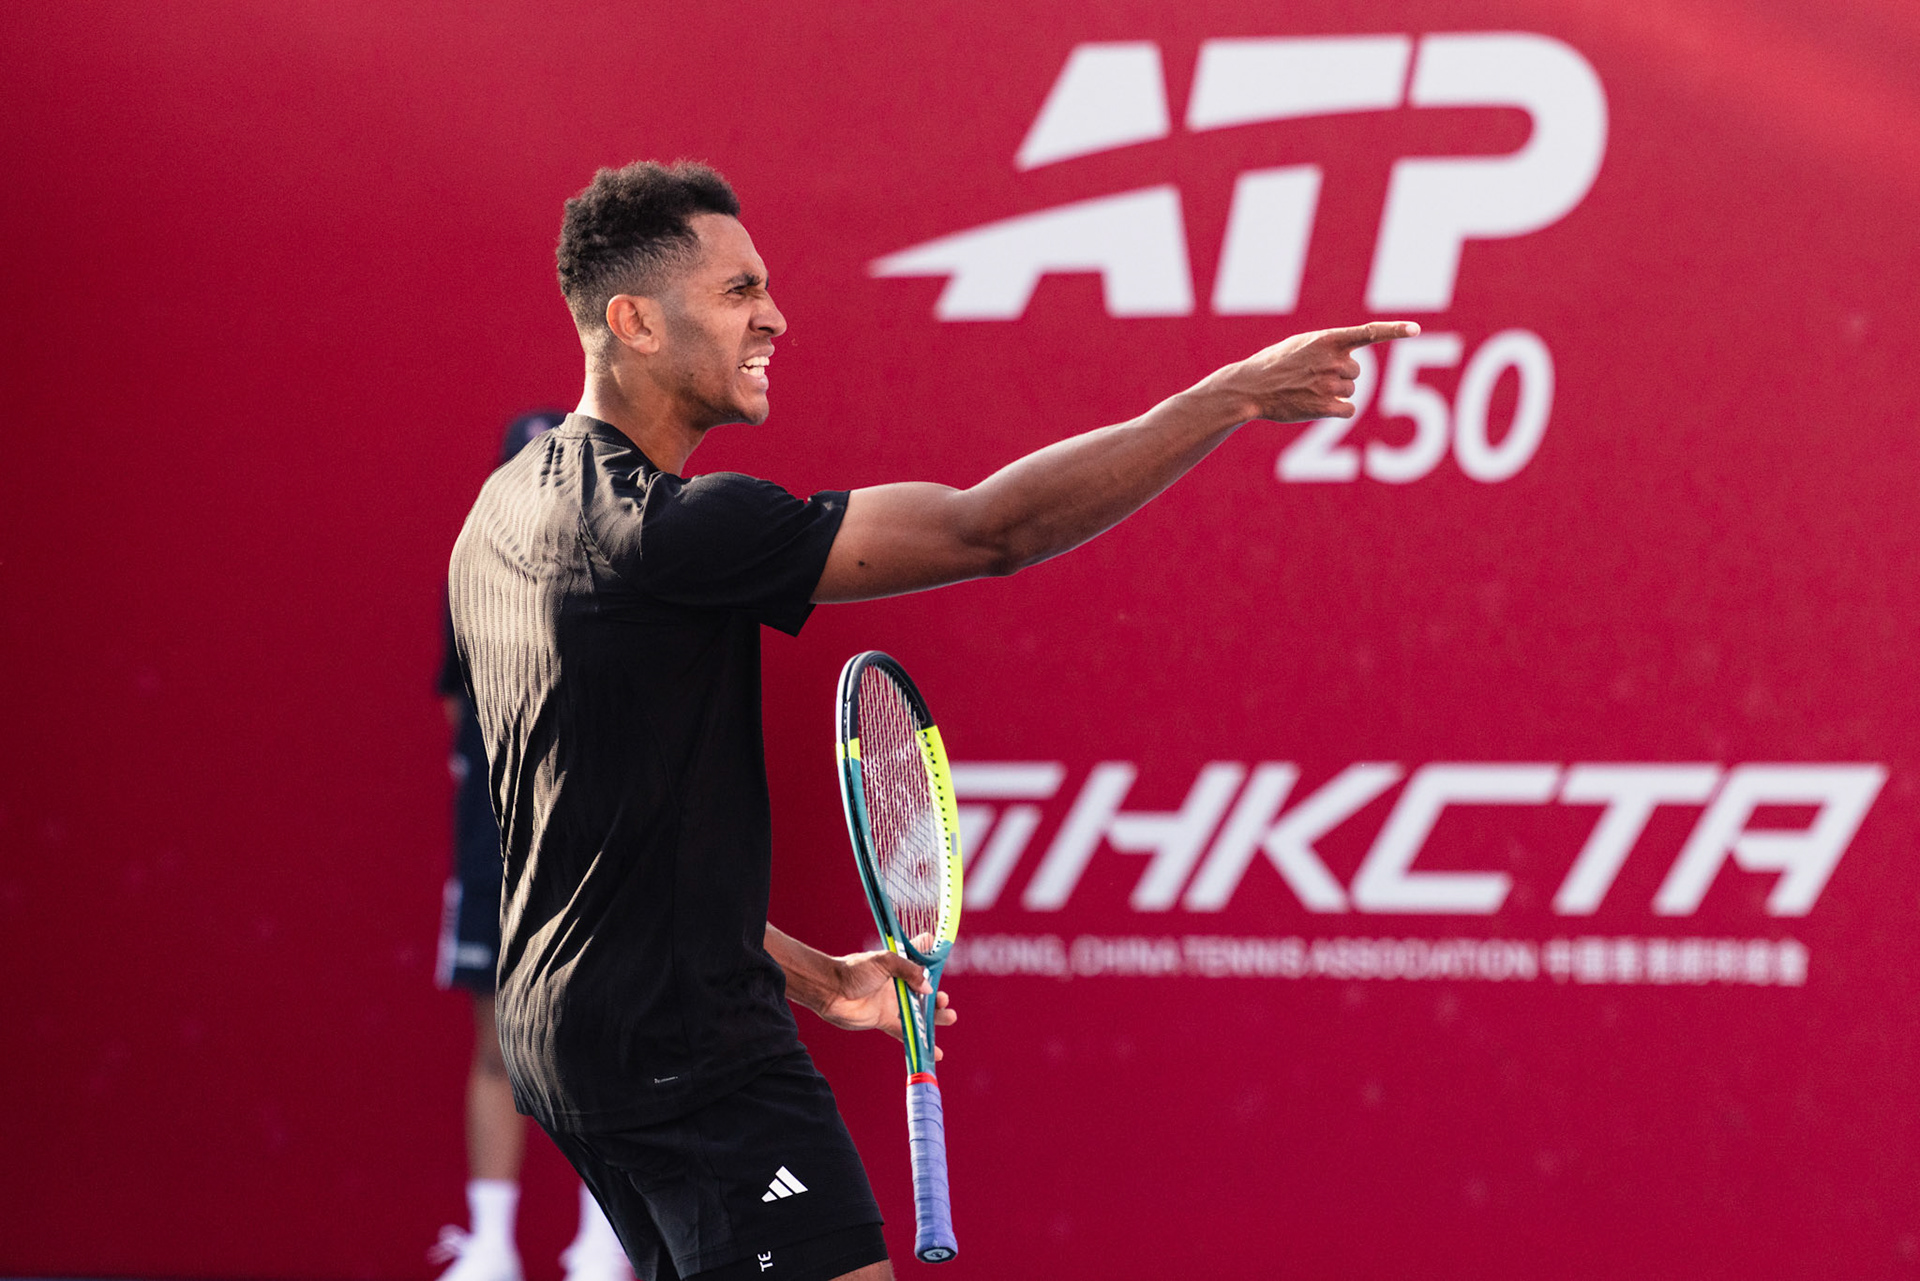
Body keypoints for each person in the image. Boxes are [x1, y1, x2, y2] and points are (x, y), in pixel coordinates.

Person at [447, 159, 1415, 1281]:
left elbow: (581, 842)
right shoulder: (677, 533)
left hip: (567, 1046)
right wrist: (1228, 399)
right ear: (635, 322)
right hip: (689, 1053)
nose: (775, 315)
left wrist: (815, 976)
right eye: (738, 290)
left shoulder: (503, 513)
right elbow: (986, 534)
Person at [432, 410, 634, 1281]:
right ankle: (491, 1248)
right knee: (501, 1042)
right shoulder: (470, 577)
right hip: (494, 849)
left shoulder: (626, 586)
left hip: (601, 847)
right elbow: (455, 707)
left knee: (600, 1040)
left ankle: (600, 1242)